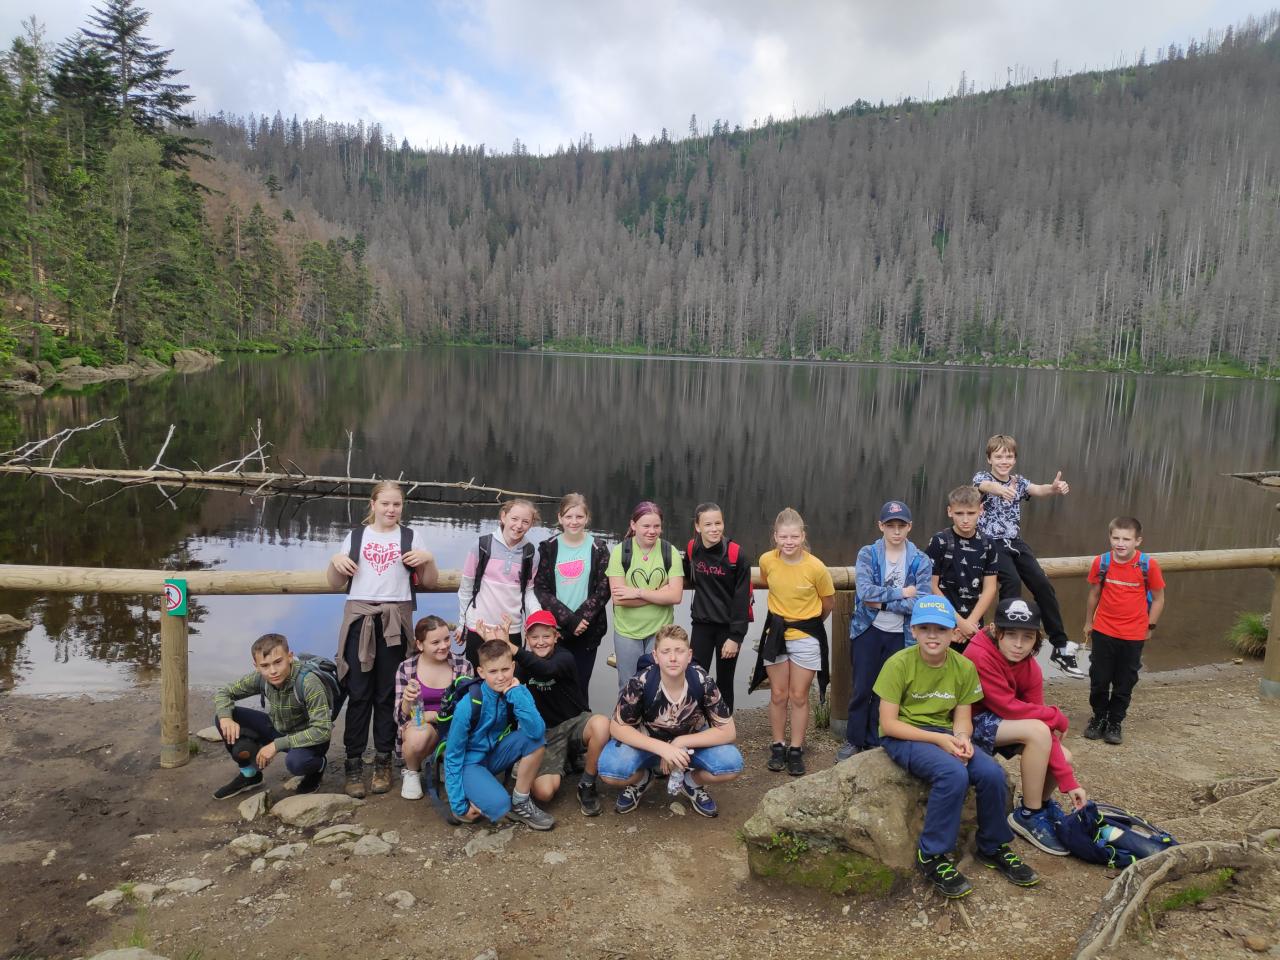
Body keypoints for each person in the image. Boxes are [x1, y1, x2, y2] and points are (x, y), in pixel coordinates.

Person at [877, 595, 1040, 899]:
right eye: (925, 628)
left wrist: (963, 739)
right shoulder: (898, 664)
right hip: (904, 735)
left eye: (940, 629)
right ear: (913, 631)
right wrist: (940, 741)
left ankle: (992, 845)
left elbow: (962, 719)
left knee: (991, 773)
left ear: (954, 633)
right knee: (953, 774)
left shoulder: (963, 667)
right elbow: (888, 724)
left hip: (945, 732)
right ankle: (932, 855)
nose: (933, 636)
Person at [326, 480, 438, 799]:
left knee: (388, 694)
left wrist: (428, 559)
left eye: (397, 504)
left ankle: (383, 761)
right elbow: (335, 583)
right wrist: (334, 561)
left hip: (395, 622)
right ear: (373, 504)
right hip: (360, 620)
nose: (391, 509)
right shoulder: (356, 536)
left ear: (402, 506)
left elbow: (430, 582)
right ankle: (352, 763)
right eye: (385, 504)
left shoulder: (411, 537)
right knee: (359, 692)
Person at [964, 598, 1088, 857]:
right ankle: (1029, 816)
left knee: (1064, 757)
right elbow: (1007, 708)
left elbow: (1040, 721)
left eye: (1027, 637)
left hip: (1004, 725)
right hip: (967, 724)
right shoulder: (979, 654)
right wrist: (1055, 716)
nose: (1019, 644)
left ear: (1037, 639)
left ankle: (1039, 805)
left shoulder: (1030, 666)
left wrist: (1068, 781)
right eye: (1011, 635)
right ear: (996, 630)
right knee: (1038, 730)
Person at [599, 625, 743, 817]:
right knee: (610, 770)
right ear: (656, 656)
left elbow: (728, 731)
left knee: (732, 764)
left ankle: (690, 782)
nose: (673, 658)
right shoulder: (640, 682)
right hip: (648, 745)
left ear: (689, 655)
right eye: (666, 651)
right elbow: (617, 727)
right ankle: (642, 778)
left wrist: (680, 742)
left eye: (679, 651)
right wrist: (663, 749)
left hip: (688, 748)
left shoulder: (702, 681)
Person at [972, 433, 1080, 678]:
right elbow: (985, 487)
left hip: (1015, 542)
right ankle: (1005, 638)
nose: (1004, 461)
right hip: (991, 543)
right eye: (999, 456)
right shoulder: (982, 478)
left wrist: (1053, 488)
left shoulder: (1018, 482)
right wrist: (1000, 490)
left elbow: (1038, 489)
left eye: (1009, 456)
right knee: (1011, 582)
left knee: (1042, 584)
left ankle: (1060, 645)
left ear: (1015, 459)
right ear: (989, 459)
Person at [838, 500, 933, 761]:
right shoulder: (868, 554)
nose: (896, 531)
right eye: (891, 525)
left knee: (888, 689)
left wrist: (883, 603)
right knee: (862, 687)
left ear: (909, 526)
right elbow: (865, 592)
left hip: (901, 634)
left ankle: (876, 739)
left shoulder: (920, 560)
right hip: (868, 629)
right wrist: (902, 592)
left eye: (901, 525)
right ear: (881, 526)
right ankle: (854, 739)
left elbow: (921, 601)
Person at [750, 507, 834, 776]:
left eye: (794, 537)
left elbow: (828, 603)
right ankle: (778, 745)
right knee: (778, 694)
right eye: (783, 537)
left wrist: (808, 623)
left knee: (798, 695)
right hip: (776, 633)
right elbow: (769, 583)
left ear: (803, 536)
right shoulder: (767, 560)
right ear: (775, 536)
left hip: (806, 636)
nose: (789, 542)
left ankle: (796, 749)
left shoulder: (816, 567)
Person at [443, 637, 554, 830]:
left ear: (513, 667)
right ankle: (470, 792)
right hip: (469, 763)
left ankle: (520, 801)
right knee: (500, 805)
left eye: (505, 669)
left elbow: (537, 731)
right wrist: (459, 805)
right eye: (493, 671)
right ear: (481, 672)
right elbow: (452, 756)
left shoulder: (516, 691)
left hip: (493, 754)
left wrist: (515, 694)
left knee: (534, 740)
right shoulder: (468, 705)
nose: (501, 677)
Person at [510, 609, 611, 816]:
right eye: (534, 637)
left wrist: (513, 649)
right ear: (527, 638)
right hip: (546, 734)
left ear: (556, 636)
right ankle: (564, 760)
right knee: (544, 793)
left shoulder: (565, 657)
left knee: (601, 724)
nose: (540, 642)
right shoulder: (522, 664)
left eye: (546, 636)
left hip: (574, 723)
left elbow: (547, 669)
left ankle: (587, 784)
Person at [211, 633, 332, 800]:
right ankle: (250, 775)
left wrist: (276, 745)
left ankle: (318, 768)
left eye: (278, 662)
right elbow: (224, 692)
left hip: (308, 738)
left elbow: (323, 730)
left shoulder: (308, 683)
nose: (273, 671)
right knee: (223, 718)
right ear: (256, 666)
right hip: (277, 727)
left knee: (296, 763)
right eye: (265, 665)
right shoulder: (262, 677)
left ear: (289, 657)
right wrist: (226, 718)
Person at [1083, 516, 1166, 745]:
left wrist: (1150, 625)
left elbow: (1159, 599)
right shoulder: (1102, 562)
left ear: (1137, 541)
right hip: (1103, 630)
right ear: (1110, 537)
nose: (1120, 544)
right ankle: (1099, 717)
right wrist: (1089, 622)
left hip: (1133, 633)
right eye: (1116, 538)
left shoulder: (1148, 565)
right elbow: (1094, 594)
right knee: (1099, 678)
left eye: (1126, 539)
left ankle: (1115, 722)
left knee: (1125, 681)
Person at [532, 492, 611, 703]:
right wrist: (569, 619)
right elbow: (541, 588)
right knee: (552, 685)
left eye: (579, 517)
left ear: (587, 518)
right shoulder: (549, 547)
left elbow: (604, 589)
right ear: (560, 518)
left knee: (580, 684)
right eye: (568, 516)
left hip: (588, 629)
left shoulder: (598, 548)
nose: (573, 522)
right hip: (556, 630)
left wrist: (582, 619)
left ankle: (582, 721)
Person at [606, 501, 684, 690]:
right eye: (646, 526)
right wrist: (660, 594)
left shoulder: (669, 552)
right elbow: (619, 599)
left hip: (660, 631)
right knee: (628, 686)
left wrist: (637, 592)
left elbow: (676, 596)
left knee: (657, 684)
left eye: (656, 526)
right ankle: (627, 712)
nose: (652, 531)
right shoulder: (620, 552)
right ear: (633, 525)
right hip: (627, 631)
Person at [457, 499, 543, 669]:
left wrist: (537, 616)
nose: (518, 525)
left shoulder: (531, 554)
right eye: (514, 519)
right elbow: (466, 588)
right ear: (503, 517)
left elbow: (528, 591)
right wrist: (462, 624)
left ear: (531, 524)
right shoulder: (482, 545)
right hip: (478, 627)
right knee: (476, 677)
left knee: (508, 678)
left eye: (525, 521)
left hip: (510, 629)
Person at [394, 615, 472, 801]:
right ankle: (412, 771)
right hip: (421, 726)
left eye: (446, 639)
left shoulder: (463, 666)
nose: (444, 646)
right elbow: (400, 718)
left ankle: (447, 760)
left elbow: (468, 711)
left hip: (454, 726)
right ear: (420, 644)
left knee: (459, 730)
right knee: (417, 737)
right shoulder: (406, 668)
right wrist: (406, 701)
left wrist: (434, 715)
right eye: (435, 642)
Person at [685, 501, 752, 713]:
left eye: (718, 523)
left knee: (724, 682)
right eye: (708, 524)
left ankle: (724, 726)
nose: (714, 529)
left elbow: (742, 598)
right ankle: (695, 723)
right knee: (695, 678)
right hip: (702, 625)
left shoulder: (736, 554)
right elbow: (686, 573)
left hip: (728, 628)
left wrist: (736, 637)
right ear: (698, 527)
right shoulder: (692, 548)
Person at [926, 485, 999, 651]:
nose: (965, 520)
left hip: (974, 624)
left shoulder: (988, 543)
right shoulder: (940, 541)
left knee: (970, 666)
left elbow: (990, 588)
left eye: (971, 513)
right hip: (942, 621)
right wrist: (958, 622)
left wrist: (970, 623)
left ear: (981, 510)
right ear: (949, 511)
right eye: (959, 513)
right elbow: (931, 585)